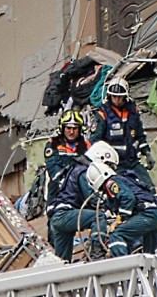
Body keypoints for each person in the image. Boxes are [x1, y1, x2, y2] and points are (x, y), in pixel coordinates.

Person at [82, 156, 157, 257]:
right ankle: (148, 272)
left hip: (148, 215)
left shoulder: (110, 183)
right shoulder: (124, 180)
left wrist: (120, 219)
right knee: (148, 255)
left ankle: (124, 268)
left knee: (117, 235)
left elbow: (128, 198)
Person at [42, 110, 94, 257]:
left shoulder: (87, 145)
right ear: (62, 128)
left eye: (75, 128)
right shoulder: (52, 144)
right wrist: (77, 163)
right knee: (55, 228)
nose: (71, 131)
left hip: (78, 194)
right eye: (68, 128)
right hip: (56, 194)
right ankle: (55, 261)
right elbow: (55, 171)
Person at [92, 77, 152, 188]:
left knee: (149, 188)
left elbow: (140, 135)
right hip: (114, 165)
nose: (117, 100)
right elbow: (95, 142)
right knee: (125, 192)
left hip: (132, 161)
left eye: (120, 97)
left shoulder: (133, 111)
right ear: (109, 96)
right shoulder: (102, 114)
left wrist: (147, 153)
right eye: (114, 96)